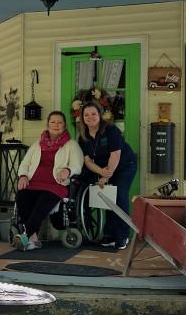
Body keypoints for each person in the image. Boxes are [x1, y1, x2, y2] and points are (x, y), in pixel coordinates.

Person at [14, 111, 84, 251]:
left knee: (43, 201)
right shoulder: (37, 144)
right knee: (21, 196)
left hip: (56, 185)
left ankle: (26, 235)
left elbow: (78, 164)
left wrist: (68, 170)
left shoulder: (71, 144)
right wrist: (23, 175)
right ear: (47, 125)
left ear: (64, 125)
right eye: (53, 122)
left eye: (60, 122)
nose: (56, 125)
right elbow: (24, 163)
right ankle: (33, 238)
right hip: (33, 183)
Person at [78, 101, 137, 250]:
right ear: (82, 118)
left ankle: (123, 236)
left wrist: (106, 176)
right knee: (109, 198)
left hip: (124, 165)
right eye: (86, 114)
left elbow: (115, 155)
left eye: (93, 114)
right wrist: (100, 172)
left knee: (120, 196)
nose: (90, 117)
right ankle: (110, 235)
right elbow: (87, 161)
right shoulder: (83, 137)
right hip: (104, 169)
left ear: (99, 115)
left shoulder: (111, 130)